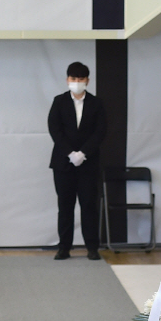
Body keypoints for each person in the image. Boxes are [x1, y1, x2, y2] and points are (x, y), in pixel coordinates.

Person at [47, 61, 106, 261]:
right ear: (67, 80)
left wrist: (83, 153)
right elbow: (55, 129)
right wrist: (70, 153)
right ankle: (64, 247)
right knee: (65, 206)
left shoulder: (97, 103)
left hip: (88, 163)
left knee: (89, 205)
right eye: (73, 79)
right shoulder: (59, 101)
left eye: (81, 79)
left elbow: (100, 132)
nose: (77, 82)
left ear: (87, 81)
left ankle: (92, 247)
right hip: (63, 163)